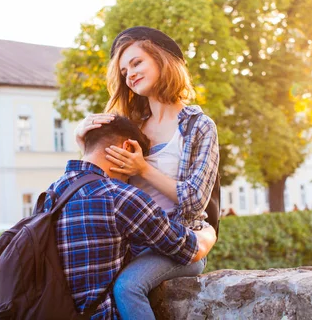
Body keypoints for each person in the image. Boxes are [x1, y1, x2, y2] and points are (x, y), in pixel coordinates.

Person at [75, 26, 220, 320]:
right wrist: (84, 145)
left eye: (137, 62)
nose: (130, 74)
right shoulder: (132, 128)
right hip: (131, 242)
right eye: (125, 70)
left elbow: (194, 199)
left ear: (161, 60)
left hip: (180, 243)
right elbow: (105, 187)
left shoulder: (199, 126)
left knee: (128, 287)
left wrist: (143, 169)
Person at [47, 115, 216, 319]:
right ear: (127, 148)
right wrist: (208, 233)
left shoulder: (52, 195)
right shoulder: (120, 197)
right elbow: (186, 248)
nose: (129, 180)